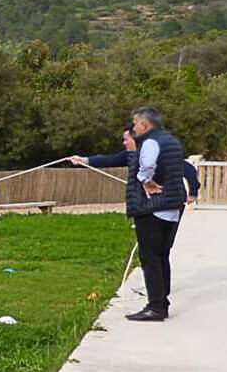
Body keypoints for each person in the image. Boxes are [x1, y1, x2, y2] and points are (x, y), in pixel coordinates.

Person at [70, 107, 189, 321]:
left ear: (144, 125)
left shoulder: (150, 142)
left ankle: (156, 307)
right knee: (161, 255)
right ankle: (161, 301)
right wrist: (85, 160)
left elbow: (148, 164)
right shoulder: (171, 141)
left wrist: (145, 180)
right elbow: (116, 159)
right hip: (172, 205)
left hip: (153, 207)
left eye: (135, 124)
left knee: (150, 257)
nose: (133, 129)